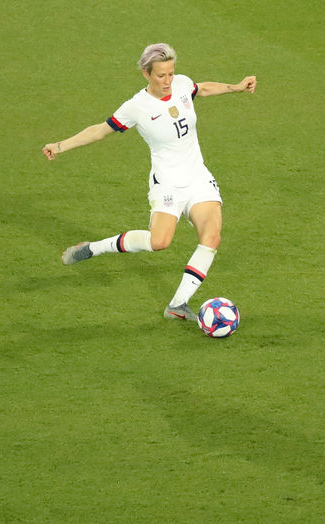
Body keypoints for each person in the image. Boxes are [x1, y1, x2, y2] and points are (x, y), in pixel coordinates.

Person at [42, 43, 257, 320]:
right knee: (159, 242)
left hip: (198, 178)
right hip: (167, 185)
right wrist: (60, 146)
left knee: (212, 237)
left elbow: (200, 88)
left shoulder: (180, 84)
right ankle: (92, 248)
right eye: (160, 76)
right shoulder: (137, 107)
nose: (168, 81)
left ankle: (177, 305)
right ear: (146, 74)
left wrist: (236, 87)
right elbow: (99, 131)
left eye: (170, 73)